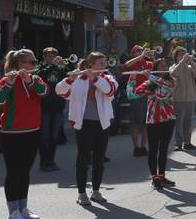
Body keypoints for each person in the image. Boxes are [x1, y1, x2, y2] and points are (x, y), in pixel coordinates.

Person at [0, 49, 48, 219]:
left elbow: (44, 92)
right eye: (31, 62)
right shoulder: (6, 79)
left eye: (34, 61)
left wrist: (30, 81)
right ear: (19, 64)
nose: (34, 64)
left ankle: (23, 207)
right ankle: (13, 211)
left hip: (32, 130)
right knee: (13, 172)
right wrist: (9, 84)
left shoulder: (35, 79)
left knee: (25, 171)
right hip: (12, 133)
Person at [56, 52, 118, 206]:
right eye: (101, 63)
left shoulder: (107, 78)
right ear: (90, 65)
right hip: (83, 124)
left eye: (105, 63)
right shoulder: (78, 79)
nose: (104, 65)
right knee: (83, 158)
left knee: (99, 159)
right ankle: (82, 193)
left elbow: (110, 90)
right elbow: (60, 91)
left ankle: (96, 191)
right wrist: (69, 80)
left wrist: (95, 78)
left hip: (102, 123)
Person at [134, 58, 177, 189]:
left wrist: (151, 77)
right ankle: (155, 178)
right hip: (153, 120)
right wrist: (133, 78)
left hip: (168, 119)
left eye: (166, 66)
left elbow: (166, 88)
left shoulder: (170, 81)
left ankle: (162, 176)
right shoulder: (149, 82)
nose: (164, 68)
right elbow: (135, 92)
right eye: (161, 66)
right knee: (153, 149)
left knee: (164, 150)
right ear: (156, 68)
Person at [35, 47, 69, 171]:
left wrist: (63, 66)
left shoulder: (60, 69)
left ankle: (51, 161)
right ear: (44, 57)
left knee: (54, 136)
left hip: (58, 106)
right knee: (44, 136)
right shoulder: (40, 68)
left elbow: (68, 79)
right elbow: (39, 76)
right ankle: (43, 162)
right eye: (49, 55)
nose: (52, 57)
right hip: (44, 106)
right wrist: (52, 66)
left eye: (54, 55)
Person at [169, 47, 196, 151]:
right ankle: (178, 143)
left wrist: (192, 62)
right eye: (180, 54)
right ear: (176, 57)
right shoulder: (173, 67)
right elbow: (174, 74)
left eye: (184, 53)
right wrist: (182, 62)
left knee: (188, 122)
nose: (183, 55)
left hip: (190, 98)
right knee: (179, 122)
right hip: (179, 98)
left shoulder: (190, 66)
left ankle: (187, 142)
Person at [124, 45, 153, 157]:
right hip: (135, 95)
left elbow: (154, 68)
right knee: (135, 123)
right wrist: (141, 56)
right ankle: (136, 147)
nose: (141, 52)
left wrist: (149, 57)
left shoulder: (148, 63)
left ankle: (143, 146)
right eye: (138, 51)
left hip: (147, 94)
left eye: (142, 50)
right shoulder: (132, 62)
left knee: (146, 123)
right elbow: (126, 65)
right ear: (134, 53)